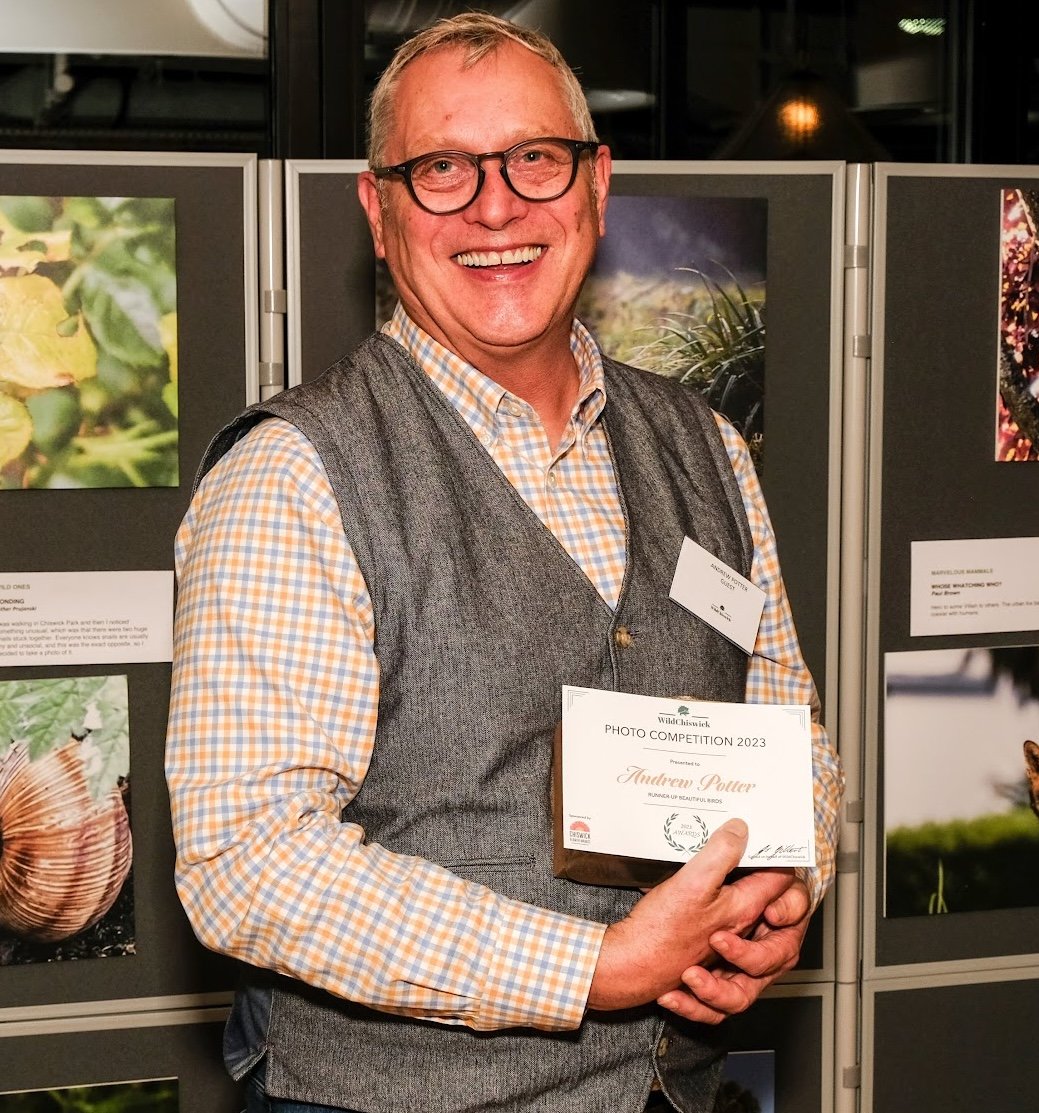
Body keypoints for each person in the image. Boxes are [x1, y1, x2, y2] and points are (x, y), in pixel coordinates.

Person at [164, 12, 843, 1113]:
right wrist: (593, 967)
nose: (495, 207)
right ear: (379, 211)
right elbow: (248, 859)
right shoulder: (294, 476)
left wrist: (784, 878)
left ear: (596, 184)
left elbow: (787, 726)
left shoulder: (707, 446)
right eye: (443, 168)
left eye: (534, 158)